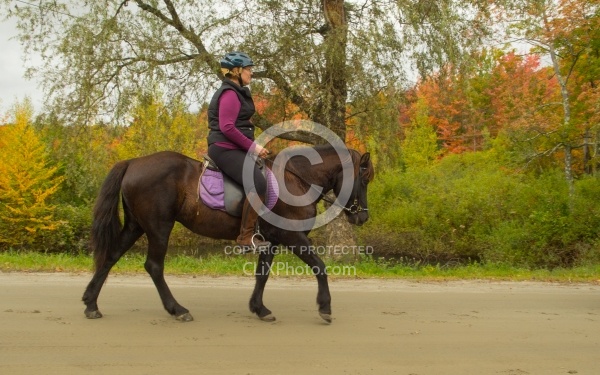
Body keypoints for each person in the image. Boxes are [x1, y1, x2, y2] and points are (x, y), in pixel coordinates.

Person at [207, 51, 271, 251]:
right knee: (259, 184)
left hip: (233, 148)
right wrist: (254, 147)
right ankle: (245, 237)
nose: (251, 73)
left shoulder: (237, 91)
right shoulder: (230, 94)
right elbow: (227, 127)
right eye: (248, 69)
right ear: (236, 71)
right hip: (224, 149)